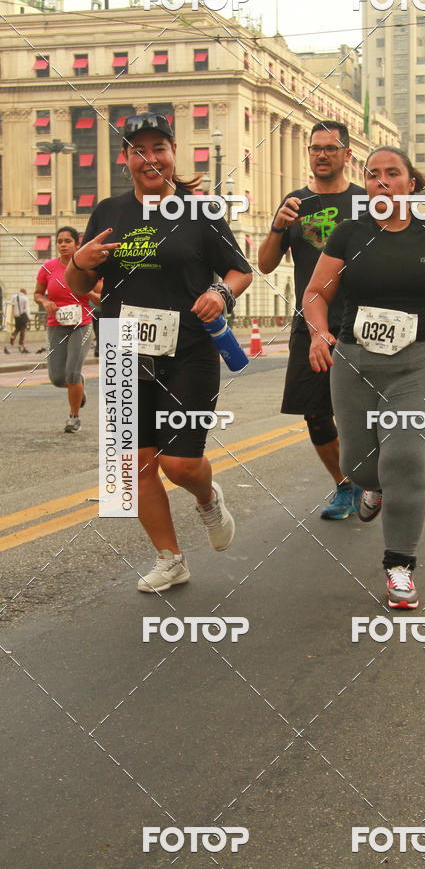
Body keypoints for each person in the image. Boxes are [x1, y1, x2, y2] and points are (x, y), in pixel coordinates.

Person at [65, 112, 252, 593]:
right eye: (138, 149)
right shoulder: (109, 211)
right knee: (135, 464)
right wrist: (77, 263)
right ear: (125, 159)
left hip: (188, 348)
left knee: (180, 464)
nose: (150, 158)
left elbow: (239, 271)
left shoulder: (201, 212)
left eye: (159, 148)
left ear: (173, 154)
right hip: (124, 348)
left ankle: (207, 498)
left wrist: (222, 295)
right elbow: (79, 283)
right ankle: (170, 558)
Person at [303, 146, 425, 608]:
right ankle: (371, 486)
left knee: (405, 458)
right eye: (373, 175)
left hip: (415, 363)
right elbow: (315, 293)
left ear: (412, 183)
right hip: (353, 362)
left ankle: (400, 566)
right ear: (366, 184)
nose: (382, 182)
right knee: (360, 466)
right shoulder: (349, 234)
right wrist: (319, 334)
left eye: (393, 174)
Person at [258, 120, 366, 520]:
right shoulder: (295, 203)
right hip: (311, 322)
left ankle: (368, 478)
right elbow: (266, 266)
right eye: (315, 148)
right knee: (316, 413)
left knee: (361, 412)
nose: (322, 155)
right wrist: (276, 226)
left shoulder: (364, 201)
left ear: (347, 156)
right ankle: (344, 485)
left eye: (331, 149)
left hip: (360, 321)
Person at [34, 227, 98, 432]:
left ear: (76, 244)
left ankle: (74, 417)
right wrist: (44, 302)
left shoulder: (87, 267)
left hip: (83, 323)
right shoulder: (48, 267)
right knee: (57, 378)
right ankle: (78, 390)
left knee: (72, 372)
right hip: (56, 325)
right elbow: (37, 293)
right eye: (59, 241)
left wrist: (88, 293)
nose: (63, 244)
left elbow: (101, 297)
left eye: (67, 241)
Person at [9, 288, 30, 352]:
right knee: (23, 330)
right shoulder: (25, 298)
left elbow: (10, 303)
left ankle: (13, 336)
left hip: (16, 316)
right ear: (24, 292)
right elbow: (26, 309)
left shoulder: (14, 297)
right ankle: (21, 343)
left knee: (17, 328)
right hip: (22, 316)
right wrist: (29, 317)